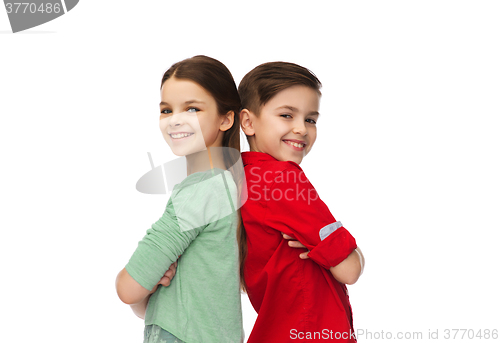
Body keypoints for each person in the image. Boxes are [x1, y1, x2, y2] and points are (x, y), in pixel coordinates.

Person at [115, 55, 245, 343]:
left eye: (192, 108)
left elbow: (128, 288)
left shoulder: (201, 191)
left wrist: (143, 282)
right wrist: (150, 283)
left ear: (226, 118)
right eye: (166, 110)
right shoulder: (226, 184)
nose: (175, 120)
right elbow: (146, 305)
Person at [238, 61, 365, 342]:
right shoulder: (283, 179)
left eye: (310, 119)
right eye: (286, 115)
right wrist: (354, 253)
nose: (301, 129)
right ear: (248, 122)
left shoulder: (242, 178)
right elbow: (349, 269)